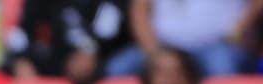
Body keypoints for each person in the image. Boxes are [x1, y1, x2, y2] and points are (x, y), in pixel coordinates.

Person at [105, 0, 252, 78]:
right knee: (117, 69)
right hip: (162, 45)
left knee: (223, 70)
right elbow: (139, 10)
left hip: (216, 43)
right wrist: (153, 52)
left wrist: (242, 24)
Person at [8, 0, 131, 84]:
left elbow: (109, 23)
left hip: (98, 57)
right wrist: (20, 59)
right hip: (51, 61)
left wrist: (89, 49)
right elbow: (23, 30)